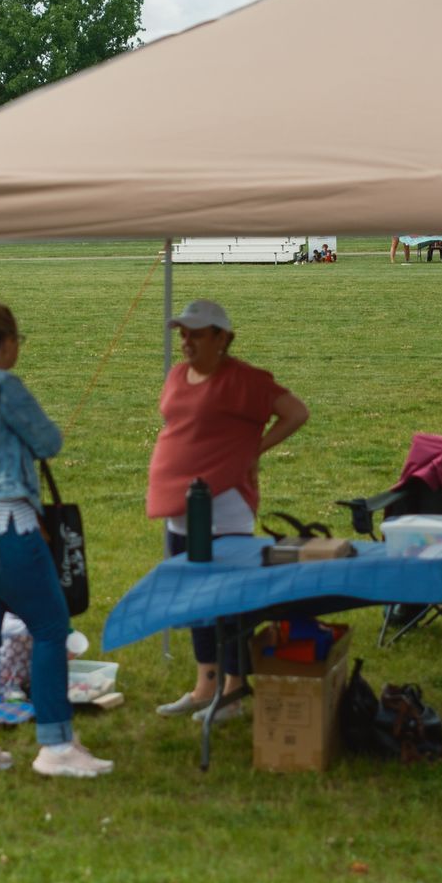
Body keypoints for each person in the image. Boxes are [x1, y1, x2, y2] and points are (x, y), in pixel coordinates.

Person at [0, 298, 111, 780]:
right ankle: (55, 745)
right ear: (5, 343)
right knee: (51, 628)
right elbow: (49, 442)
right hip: (3, 527)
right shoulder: (2, 386)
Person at [146, 300, 309, 723]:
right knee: (192, 594)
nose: (186, 341)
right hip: (180, 508)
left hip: (223, 509)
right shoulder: (179, 375)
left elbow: (296, 412)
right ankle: (205, 683)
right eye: (183, 333)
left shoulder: (245, 380)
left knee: (227, 598)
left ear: (223, 337)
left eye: (196, 334)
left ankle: (234, 689)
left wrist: (254, 450)